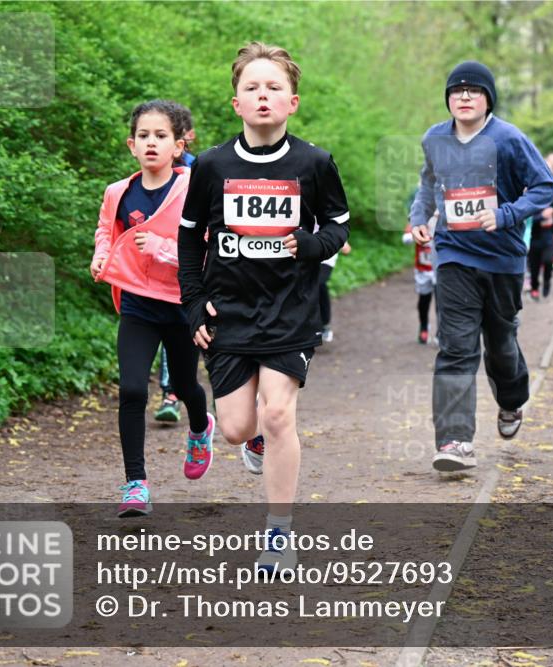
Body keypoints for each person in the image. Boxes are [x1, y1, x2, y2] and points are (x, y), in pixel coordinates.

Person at [177, 41, 350, 571]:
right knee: (235, 427)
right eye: (251, 87)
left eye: (274, 87)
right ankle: (251, 441)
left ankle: (279, 534)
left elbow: (338, 225)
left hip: (290, 311)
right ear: (237, 103)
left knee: (278, 413)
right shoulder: (211, 165)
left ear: (292, 101)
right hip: (228, 313)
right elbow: (189, 238)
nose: (263, 95)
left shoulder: (314, 162)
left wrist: (312, 245)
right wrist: (193, 303)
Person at [409, 60, 553, 472]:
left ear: (488, 99)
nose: (465, 96)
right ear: (448, 99)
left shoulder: (509, 139)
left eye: (474, 90)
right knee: (456, 347)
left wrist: (506, 214)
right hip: (454, 254)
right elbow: (427, 184)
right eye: (457, 91)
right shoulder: (435, 138)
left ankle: (511, 400)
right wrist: (419, 216)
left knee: (501, 345)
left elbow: (544, 186)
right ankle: (454, 441)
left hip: (503, 259)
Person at [90, 100, 214, 518]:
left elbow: (209, 250)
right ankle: (136, 484)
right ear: (131, 144)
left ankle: (200, 426)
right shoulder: (118, 192)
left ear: (179, 146)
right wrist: (101, 257)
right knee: (131, 389)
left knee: (185, 385)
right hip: (138, 305)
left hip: (181, 305)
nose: (151, 143)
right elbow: (107, 231)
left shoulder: (194, 189)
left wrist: (162, 248)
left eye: (161, 136)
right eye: (143, 135)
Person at [155, 101, 199, 424]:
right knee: (169, 335)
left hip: (197, 271)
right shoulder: (151, 173)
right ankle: (170, 394)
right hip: (162, 275)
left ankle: (233, 395)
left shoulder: (201, 169)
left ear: (187, 137)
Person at [403, 211, 439, 344]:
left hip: (441, 268)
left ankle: (441, 332)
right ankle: (424, 327)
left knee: (442, 301)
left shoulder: (445, 214)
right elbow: (405, 239)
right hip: (423, 269)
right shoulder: (419, 215)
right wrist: (415, 234)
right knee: (424, 300)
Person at [317, 235, 352, 343]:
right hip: (307, 257)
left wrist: (342, 241)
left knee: (320, 284)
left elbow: (347, 249)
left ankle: (325, 325)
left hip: (326, 259)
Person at [527, 195, 553, 301]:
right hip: (534, 239)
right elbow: (527, 221)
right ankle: (534, 288)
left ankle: (547, 281)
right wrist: (541, 216)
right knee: (534, 267)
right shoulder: (531, 201)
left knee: (548, 261)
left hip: (550, 239)